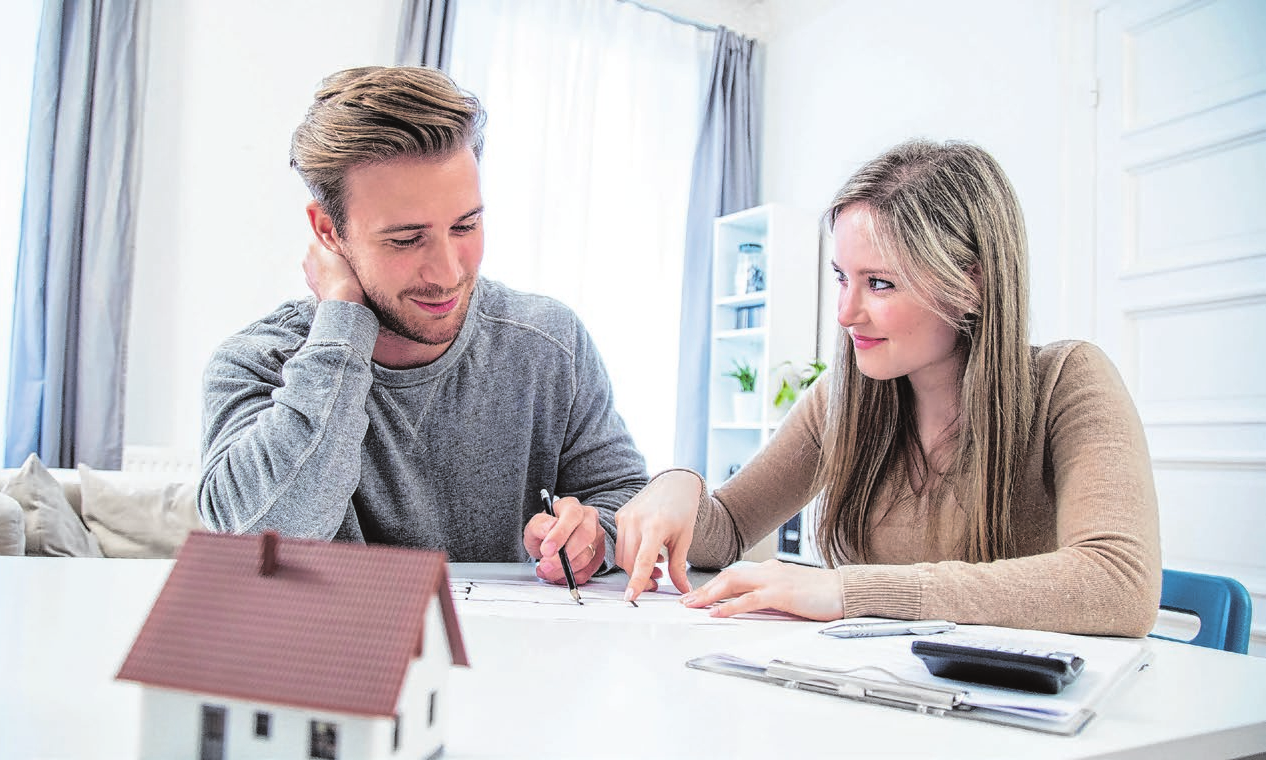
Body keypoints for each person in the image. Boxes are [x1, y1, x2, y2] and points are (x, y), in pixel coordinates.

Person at [615, 140, 1161, 636]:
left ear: (969, 283)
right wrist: (679, 485)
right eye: (840, 277)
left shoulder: (1069, 381)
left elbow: (1118, 584)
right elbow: (727, 529)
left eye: (879, 283)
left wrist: (853, 591)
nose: (846, 313)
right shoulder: (839, 400)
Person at [199, 66, 647, 584]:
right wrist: (342, 318)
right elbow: (263, 542)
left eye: (466, 225)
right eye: (406, 238)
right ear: (328, 231)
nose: (449, 273)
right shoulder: (256, 362)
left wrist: (596, 536)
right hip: (333, 661)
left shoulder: (548, 343)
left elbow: (625, 497)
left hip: (514, 655)